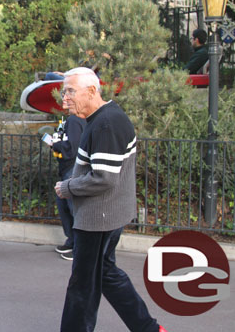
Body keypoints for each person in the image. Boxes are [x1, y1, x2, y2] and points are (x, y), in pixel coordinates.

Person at [54, 67, 165, 332]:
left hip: (98, 217)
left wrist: (67, 186)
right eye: (64, 90)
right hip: (105, 214)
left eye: (70, 91)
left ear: (92, 91)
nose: (64, 97)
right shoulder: (104, 118)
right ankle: (148, 328)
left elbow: (103, 178)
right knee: (105, 273)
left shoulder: (105, 124)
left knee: (82, 286)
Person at [51, 105, 85, 261]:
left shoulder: (74, 120)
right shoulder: (71, 120)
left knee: (72, 207)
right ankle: (72, 241)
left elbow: (72, 148)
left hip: (72, 169)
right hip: (69, 168)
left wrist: (54, 145)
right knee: (64, 203)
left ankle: (79, 246)